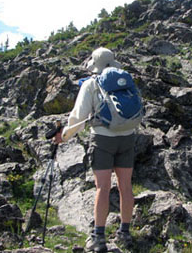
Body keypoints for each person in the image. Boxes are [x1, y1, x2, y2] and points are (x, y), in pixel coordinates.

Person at [54, 47, 137, 252]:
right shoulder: (126, 81)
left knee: (103, 187)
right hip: (127, 138)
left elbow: (78, 118)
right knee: (125, 186)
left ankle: (98, 238)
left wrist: (64, 136)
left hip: (103, 140)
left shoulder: (91, 84)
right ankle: (125, 233)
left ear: (95, 64)